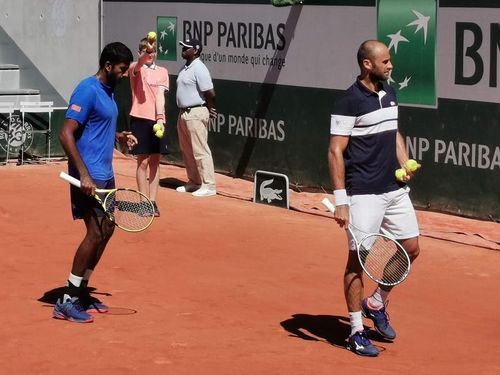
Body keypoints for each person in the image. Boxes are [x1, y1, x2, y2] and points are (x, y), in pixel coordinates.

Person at [327, 40, 421, 356]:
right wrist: (342, 200)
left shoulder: (389, 94)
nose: (390, 65)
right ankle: (355, 331)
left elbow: (394, 132)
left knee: (411, 248)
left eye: (389, 61)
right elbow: (335, 150)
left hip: (393, 190)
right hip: (362, 192)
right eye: (385, 61)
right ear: (368, 64)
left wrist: (404, 161)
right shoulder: (349, 101)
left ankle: (376, 301)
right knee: (357, 261)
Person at [54, 42, 136, 323]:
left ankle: (82, 291)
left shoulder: (109, 92)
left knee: (107, 229)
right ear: (108, 66)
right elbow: (66, 133)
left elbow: (96, 127)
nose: (125, 75)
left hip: (105, 173)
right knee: (94, 233)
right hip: (87, 174)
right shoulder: (88, 89)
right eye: (122, 70)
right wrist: (83, 174)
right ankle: (67, 298)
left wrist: (118, 137)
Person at [128, 36, 169, 216]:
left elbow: (160, 96)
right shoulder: (135, 69)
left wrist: (160, 118)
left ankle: (152, 203)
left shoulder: (162, 71)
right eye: (146, 51)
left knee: (155, 161)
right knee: (142, 161)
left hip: (157, 121)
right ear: (140, 53)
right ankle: (143, 202)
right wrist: (142, 57)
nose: (150, 54)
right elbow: (136, 66)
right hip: (140, 118)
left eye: (153, 52)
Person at [175, 38, 217, 197]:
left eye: (187, 47)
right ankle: (194, 181)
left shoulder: (200, 68)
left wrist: (209, 110)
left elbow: (210, 93)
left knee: (200, 150)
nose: (183, 49)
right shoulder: (185, 67)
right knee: (186, 150)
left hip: (196, 112)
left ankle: (209, 185)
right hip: (183, 113)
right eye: (183, 47)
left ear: (196, 51)